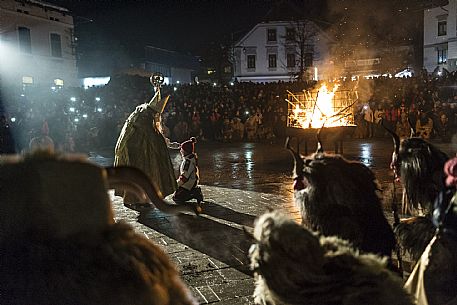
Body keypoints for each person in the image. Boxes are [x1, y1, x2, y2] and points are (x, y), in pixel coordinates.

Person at [114, 74, 178, 204]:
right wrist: (164, 145)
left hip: (139, 147)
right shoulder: (144, 116)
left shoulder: (147, 112)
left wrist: (168, 143)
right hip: (133, 148)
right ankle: (134, 198)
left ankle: (141, 197)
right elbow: (154, 135)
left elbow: (156, 132)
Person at [172, 137, 204, 204]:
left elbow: (184, 177)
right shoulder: (190, 159)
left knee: (177, 198)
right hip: (190, 183)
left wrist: (176, 185)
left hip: (188, 184)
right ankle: (194, 191)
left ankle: (194, 193)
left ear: (185, 151)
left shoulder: (188, 162)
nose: (180, 151)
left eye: (182, 149)